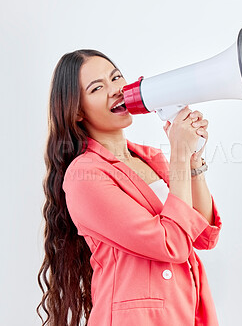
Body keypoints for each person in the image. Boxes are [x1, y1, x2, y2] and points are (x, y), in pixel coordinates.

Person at [37, 49, 223, 326]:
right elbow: (170, 244)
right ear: (77, 111)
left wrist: (193, 161)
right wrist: (180, 157)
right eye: (98, 87)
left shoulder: (152, 157)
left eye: (116, 78)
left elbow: (203, 235)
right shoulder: (84, 176)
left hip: (183, 311)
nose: (116, 90)